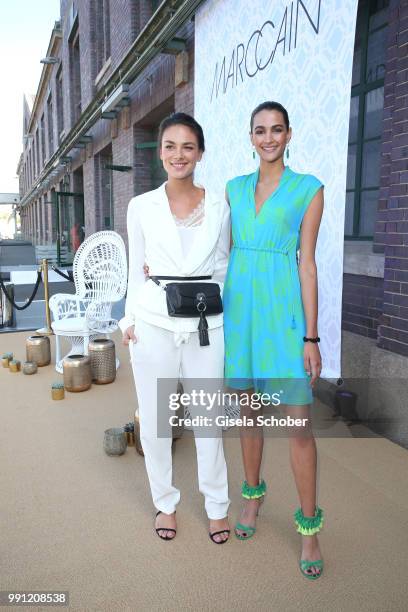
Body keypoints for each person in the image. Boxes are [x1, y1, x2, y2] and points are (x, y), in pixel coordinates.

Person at [223, 101, 324, 578]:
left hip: (283, 316)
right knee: (249, 414)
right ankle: (252, 498)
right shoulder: (234, 190)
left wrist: (311, 336)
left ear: (288, 135)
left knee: (300, 427)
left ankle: (309, 528)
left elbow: (307, 263)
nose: (268, 138)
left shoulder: (308, 189)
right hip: (241, 314)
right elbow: (217, 247)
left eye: (276, 130)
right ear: (250, 136)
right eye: (259, 130)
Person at [120, 113, 231, 544]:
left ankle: (216, 506)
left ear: (200, 153)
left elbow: (221, 266)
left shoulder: (220, 206)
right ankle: (165, 502)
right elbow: (135, 271)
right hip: (152, 324)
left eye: (187, 146)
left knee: (209, 418)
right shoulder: (140, 206)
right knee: (155, 419)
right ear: (160, 151)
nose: (178, 154)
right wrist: (128, 320)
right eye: (170, 145)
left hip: (207, 325)